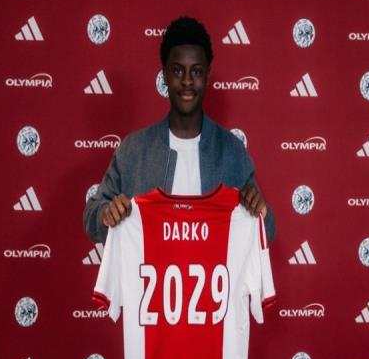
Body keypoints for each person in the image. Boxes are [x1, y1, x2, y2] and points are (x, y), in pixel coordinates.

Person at [83, 16, 276, 246]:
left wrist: (262, 212)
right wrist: (106, 214)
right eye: (177, 71)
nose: (186, 81)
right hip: (147, 270)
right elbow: (92, 217)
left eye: (196, 71)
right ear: (164, 75)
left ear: (207, 75)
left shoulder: (232, 151)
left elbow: (267, 232)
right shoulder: (133, 150)